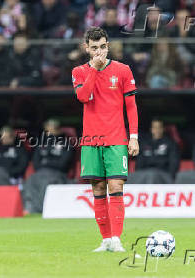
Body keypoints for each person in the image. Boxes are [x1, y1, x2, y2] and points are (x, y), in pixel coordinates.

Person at [71, 27, 139, 252]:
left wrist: (134, 137)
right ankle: (106, 240)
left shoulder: (123, 70)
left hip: (116, 138)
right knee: (98, 188)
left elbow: (131, 106)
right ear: (86, 48)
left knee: (116, 185)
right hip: (91, 140)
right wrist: (95, 70)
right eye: (94, 48)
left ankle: (117, 239)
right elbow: (83, 96)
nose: (99, 52)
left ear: (107, 45)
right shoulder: (79, 71)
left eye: (102, 47)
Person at [22, 119, 74, 213]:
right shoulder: (42, 143)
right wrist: (46, 165)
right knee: (30, 180)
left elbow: (63, 164)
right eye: (47, 129)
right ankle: (29, 209)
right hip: (40, 172)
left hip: (57, 174)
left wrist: (46, 163)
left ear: (58, 129)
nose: (49, 132)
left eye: (52, 129)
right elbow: (35, 162)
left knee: (46, 180)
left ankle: (44, 210)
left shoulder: (66, 143)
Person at [128, 119, 179, 184]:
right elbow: (138, 164)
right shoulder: (145, 144)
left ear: (163, 129)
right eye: (154, 127)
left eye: (159, 127)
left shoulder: (170, 143)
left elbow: (174, 164)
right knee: (128, 178)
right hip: (145, 174)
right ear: (151, 129)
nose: (157, 130)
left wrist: (170, 179)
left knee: (152, 175)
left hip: (163, 174)